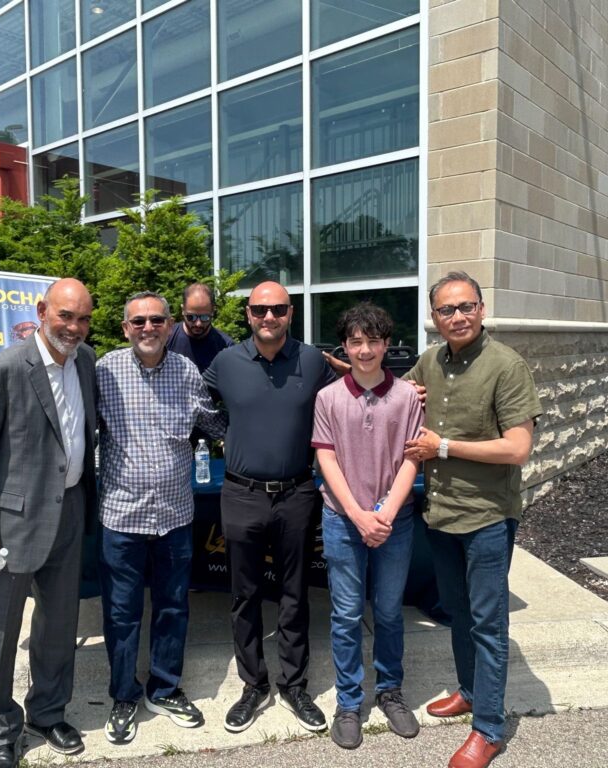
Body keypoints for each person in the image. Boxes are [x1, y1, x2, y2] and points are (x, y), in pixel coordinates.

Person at [0, 278, 97, 768]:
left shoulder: (86, 361)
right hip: (9, 527)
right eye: (65, 316)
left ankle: (47, 712)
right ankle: (0, 731)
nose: (74, 327)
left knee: (58, 626)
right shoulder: (2, 370)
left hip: (70, 512)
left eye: (83, 318)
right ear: (41, 312)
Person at [404, 271, 542, 768]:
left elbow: (518, 448)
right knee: (457, 613)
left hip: (486, 517)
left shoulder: (506, 365)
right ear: (434, 318)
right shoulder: (431, 361)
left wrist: (442, 446)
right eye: (447, 310)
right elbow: (398, 394)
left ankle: (489, 728)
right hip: (441, 514)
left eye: (466, 306)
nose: (458, 317)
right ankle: (468, 691)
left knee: (487, 623)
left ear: (482, 309)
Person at [202, 281, 335, 734]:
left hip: (297, 493)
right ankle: (253, 684)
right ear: (248, 314)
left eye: (278, 309)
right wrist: (225, 433)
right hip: (241, 494)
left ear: (290, 313)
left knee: (295, 594)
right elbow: (196, 402)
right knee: (245, 595)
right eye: (260, 310)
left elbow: (344, 402)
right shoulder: (227, 362)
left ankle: (294, 684)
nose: (269, 317)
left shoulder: (312, 361)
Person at [96, 291, 227, 746]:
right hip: (121, 515)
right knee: (121, 612)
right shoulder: (104, 371)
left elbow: (213, 423)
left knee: (173, 606)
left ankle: (164, 688)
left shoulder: (186, 371)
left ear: (170, 325)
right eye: (139, 321)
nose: (148, 328)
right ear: (125, 328)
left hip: (175, 514)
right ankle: (124, 695)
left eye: (156, 320)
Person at [311, 302, 423, 749]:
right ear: (344, 346)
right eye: (356, 341)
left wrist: (386, 514)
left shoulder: (408, 397)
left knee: (390, 610)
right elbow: (326, 458)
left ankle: (390, 690)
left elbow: (413, 459)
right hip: (342, 520)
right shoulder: (328, 397)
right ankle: (349, 701)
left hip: (396, 520)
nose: (364, 350)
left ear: (386, 344)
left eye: (373, 341)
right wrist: (358, 515)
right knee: (346, 614)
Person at [166, 282, 234, 374]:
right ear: (183, 310)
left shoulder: (226, 346)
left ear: (213, 311)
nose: (198, 324)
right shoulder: (167, 338)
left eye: (205, 317)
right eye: (191, 317)